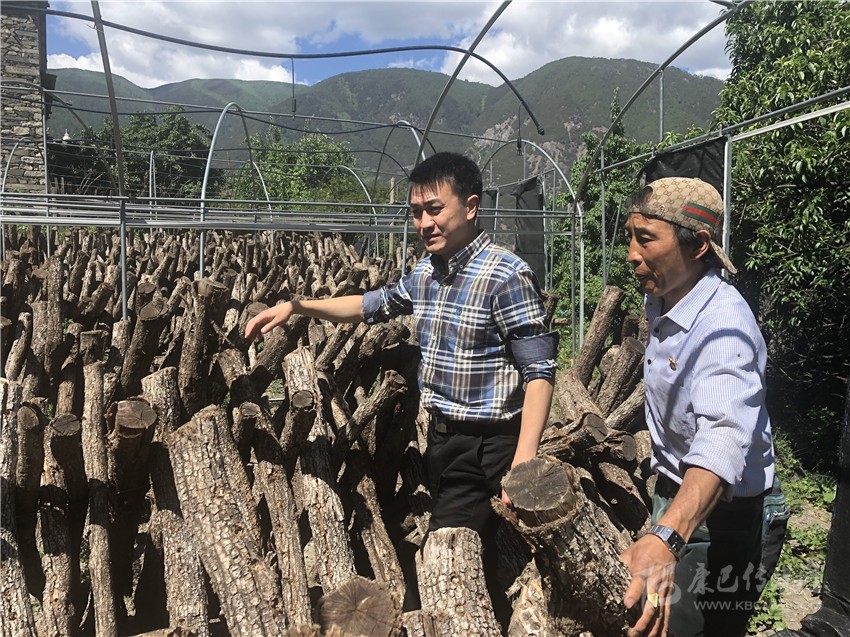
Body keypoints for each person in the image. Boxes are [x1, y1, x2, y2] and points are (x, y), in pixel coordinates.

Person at [245, 151, 558, 624]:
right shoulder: (427, 274)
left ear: (471, 207)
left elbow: (540, 371)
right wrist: (298, 306)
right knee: (482, 561)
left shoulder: (506, 275)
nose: (424, 223)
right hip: (445, 440)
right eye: (416, 212)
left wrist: (524, 461)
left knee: (456, 565)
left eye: (435, 209)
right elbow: (369, 305)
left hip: (491, 446)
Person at [619, 177, 788, 637]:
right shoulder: (662, 295)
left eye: (646, 238)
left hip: (728, 516)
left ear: (698, 246)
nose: (631, 253)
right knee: (656, 622)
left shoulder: (723, 328)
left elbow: (723, 437)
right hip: (679, 492)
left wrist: (667, 536)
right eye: (630, 236)